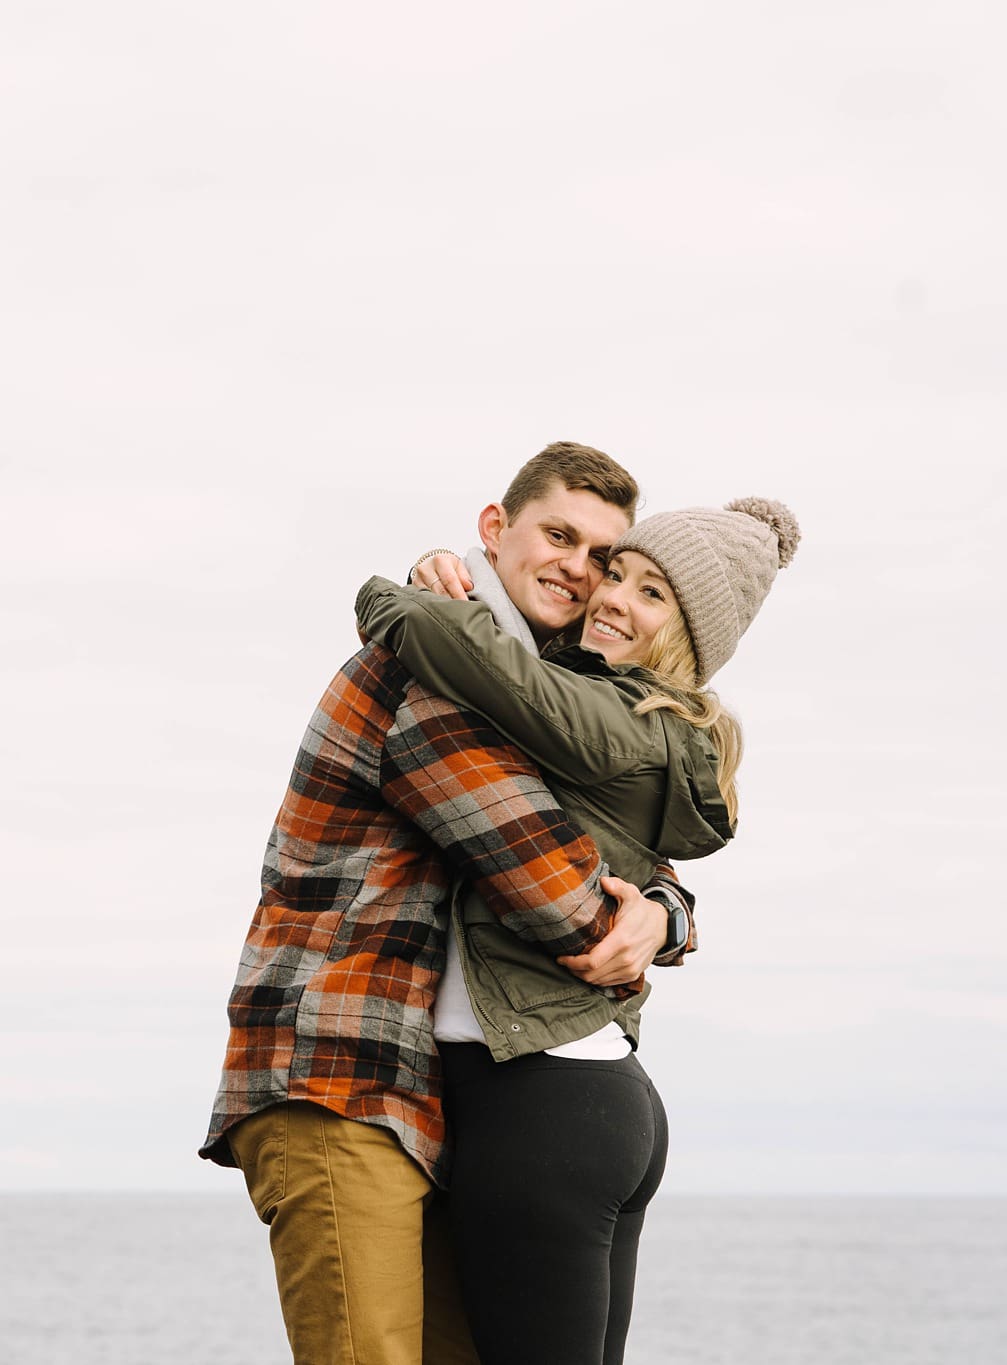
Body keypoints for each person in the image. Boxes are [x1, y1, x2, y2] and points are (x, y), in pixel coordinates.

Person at [200, 442, 689, 1365]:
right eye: (558, 534)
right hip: (338, 1075)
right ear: (494, 530)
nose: (577, 571)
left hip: (420, 1097)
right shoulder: (434, 663)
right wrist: (624, 927)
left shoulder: (518, 679)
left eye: (601, 558)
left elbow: (613, 840)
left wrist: (663, 908)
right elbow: (549, 880)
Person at [354, 496, 801, 1365]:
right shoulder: (636, 722)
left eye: (653, 595)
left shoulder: (609, 720)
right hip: (593, 1094)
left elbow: (468, 653)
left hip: (536, 1107)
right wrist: (671, 912)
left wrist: (399, 588)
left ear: (689, 639)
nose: (612, 597)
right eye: (617, 573)